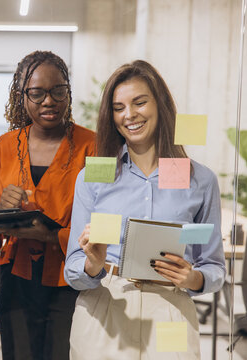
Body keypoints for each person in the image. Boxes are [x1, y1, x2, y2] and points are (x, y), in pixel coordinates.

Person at [64, 60, 226, 359]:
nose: (130, 115)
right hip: (106, 305)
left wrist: (193, 279)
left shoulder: (199, 180)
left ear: (160, 105)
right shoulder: (94, 176)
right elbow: (73, 268)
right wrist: (93, 264)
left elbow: (214, 265)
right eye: (118, 107)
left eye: (140, 102)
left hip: (171, 307)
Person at [0, 51, 96, 360]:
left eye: (57, 91)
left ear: (68, 93)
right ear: (21, 96)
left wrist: (51, 235)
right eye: (36, 93)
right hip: (17, 278)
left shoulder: (93, 146)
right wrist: (3, 210)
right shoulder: (6, 146)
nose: (48, 101)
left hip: (70, 278)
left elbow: (104, 216)